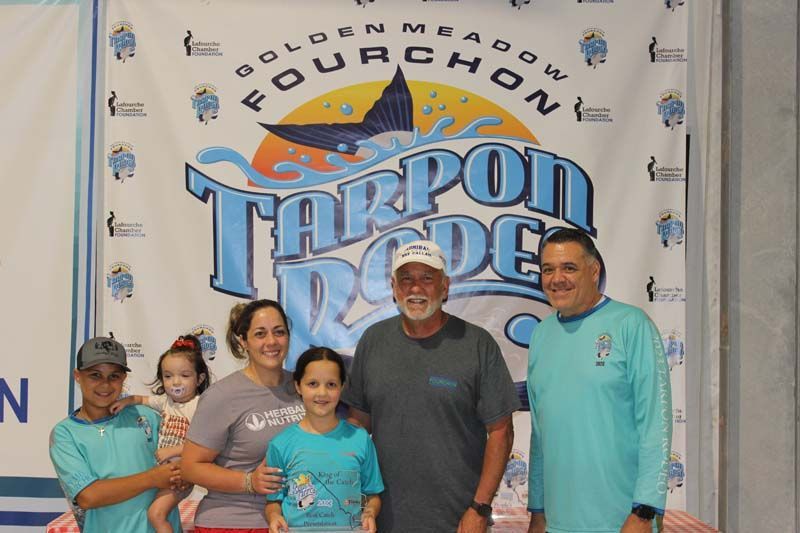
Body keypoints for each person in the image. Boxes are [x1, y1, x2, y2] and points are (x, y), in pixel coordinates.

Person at [343, 240, 521, 532]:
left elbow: (501, 431)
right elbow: (358, 423)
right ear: (394, 287)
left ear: (445, 286)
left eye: (427, 278)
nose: (416, 288)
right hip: (382, 519)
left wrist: (479, 507)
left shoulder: (476, 344)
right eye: (406, 279)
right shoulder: (373, 341)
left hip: (458, 520)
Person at [526, 228, 672, 533]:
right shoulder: (541, 335)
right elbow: (540, 435)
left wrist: (644, 511)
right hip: (557, 524)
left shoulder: (632, 325)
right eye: (548, 269)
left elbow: (655, 426)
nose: (557, 278)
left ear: (594, 271)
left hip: (621, 522)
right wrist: (538, 512)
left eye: (569, 268)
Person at [182, 300, 305, 532]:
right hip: (234, 521)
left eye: (279, 332)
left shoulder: (303, 387)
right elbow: (190, 467)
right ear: (243, 341)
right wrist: (248, 482)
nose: (271, 342)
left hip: (294, 521)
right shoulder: (223, 396)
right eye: (260, 334)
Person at [49, 336, 183, 532]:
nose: (105, 384)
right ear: (77, 376)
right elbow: (88, 496)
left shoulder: (146, 415)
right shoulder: (65, 434)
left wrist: (184, 472)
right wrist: (153, 478)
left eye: (114, 376)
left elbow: (184, 465)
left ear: (124, 378)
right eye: (95, 375)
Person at [265, 347, 383, 533]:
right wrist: (274, 517)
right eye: (312, 384)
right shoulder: (280, 444)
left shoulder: (360, 439)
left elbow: (373, 494)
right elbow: (274, 502)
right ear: (298, 386)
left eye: (331, 384)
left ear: (342, 387)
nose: (322, 393)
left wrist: (370, 512)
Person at [110, 335, 210, 533]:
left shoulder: (200, 405)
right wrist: (126, 401)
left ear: (200, 378)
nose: (175, 382)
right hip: (165, 473)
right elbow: (141, 399)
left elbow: (206, 445)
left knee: (156, 514)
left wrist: (173, 450)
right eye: (168, 376)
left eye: (184, 375)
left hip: (182, 471)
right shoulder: (165, 401)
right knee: (150, 510)